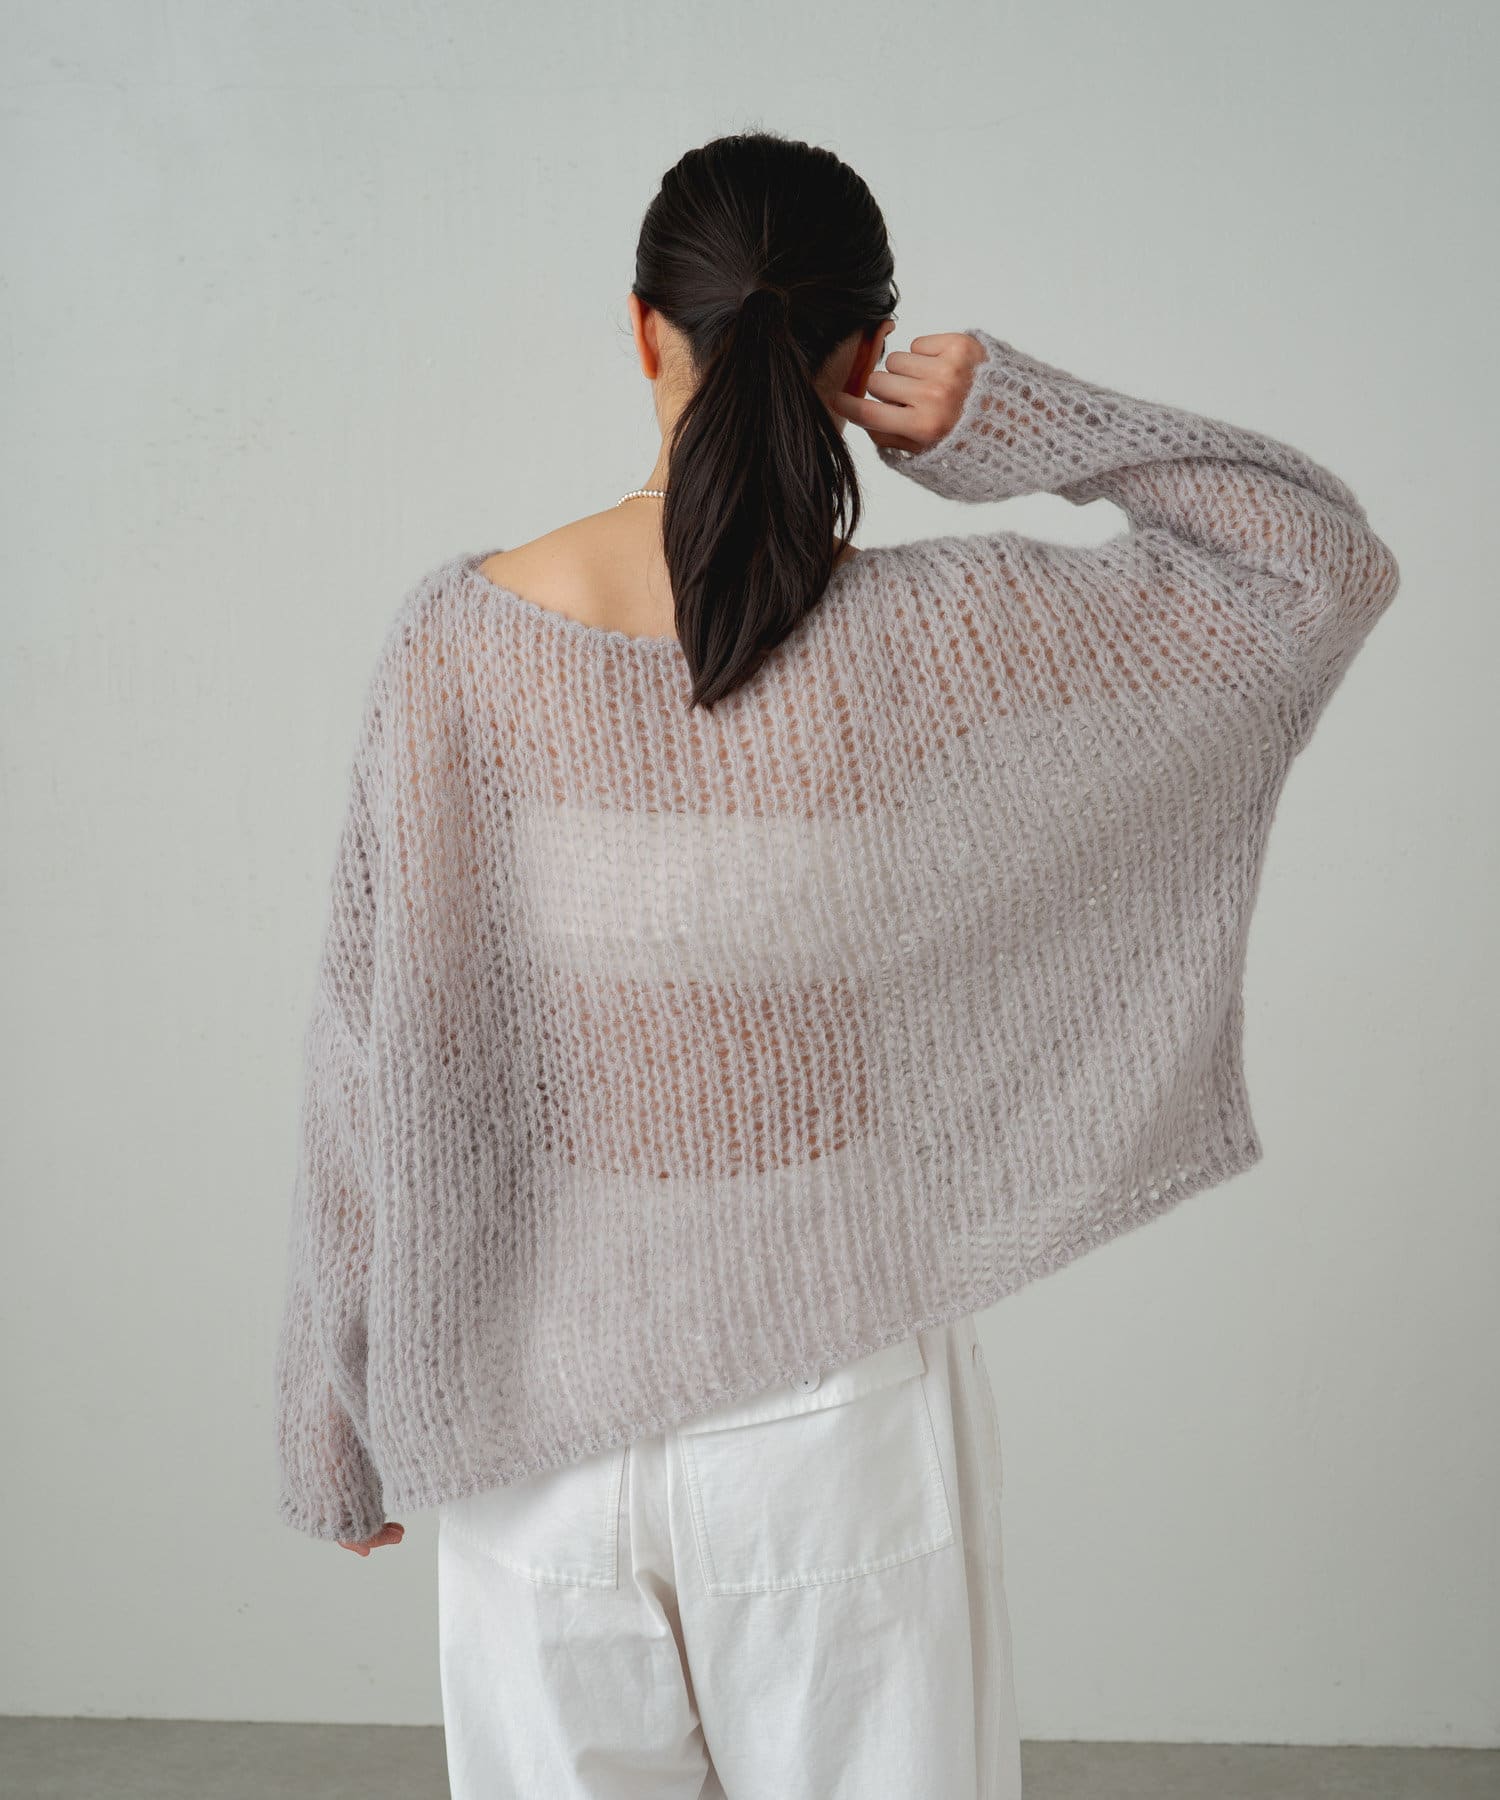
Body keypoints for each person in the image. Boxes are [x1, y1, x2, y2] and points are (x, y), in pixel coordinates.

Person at [273, 130, 1399, 1800]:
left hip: (530, 1425)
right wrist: (1018, 418)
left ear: (641, 330)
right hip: (830, 1408)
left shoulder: (459, 647)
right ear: (866, 354)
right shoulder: (929, 640)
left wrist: (334, 1414)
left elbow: (375, 1049)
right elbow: (1316, 561)